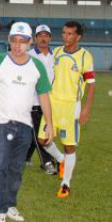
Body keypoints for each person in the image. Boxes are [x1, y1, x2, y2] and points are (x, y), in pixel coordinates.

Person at [0, 22, 53, 222]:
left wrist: (49, 123)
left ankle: (10, 204)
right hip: (0, 122)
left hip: (25, 123)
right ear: (9, 41)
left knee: (16, 167)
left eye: (22, 41)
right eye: (14, 41)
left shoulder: (37, 66)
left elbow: (44, 96)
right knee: (0, 164)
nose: (18, 45)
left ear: (29, 42)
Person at [38, 21, 96, 199]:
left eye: (70, 34)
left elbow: (91, 84)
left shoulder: (85, 56)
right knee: (42, 140)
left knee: (69, 145)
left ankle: (66, 184)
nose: (65, 36)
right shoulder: (56, 52)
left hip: (72, 106)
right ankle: (62, 160)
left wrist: (86, 108)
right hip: (53, 103)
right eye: (63, 33)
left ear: (78, 37)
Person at [25, 24, 57, 174]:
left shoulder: (56, 56)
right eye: (40, 35)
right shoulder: (28, 56)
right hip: (32, 102)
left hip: (50, 103)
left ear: (50, 38)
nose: (43, 38)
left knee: (37, 133)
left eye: (46, 35)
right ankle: (48, 163)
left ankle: (24, 158)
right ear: (35, 38)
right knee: (40, 134)